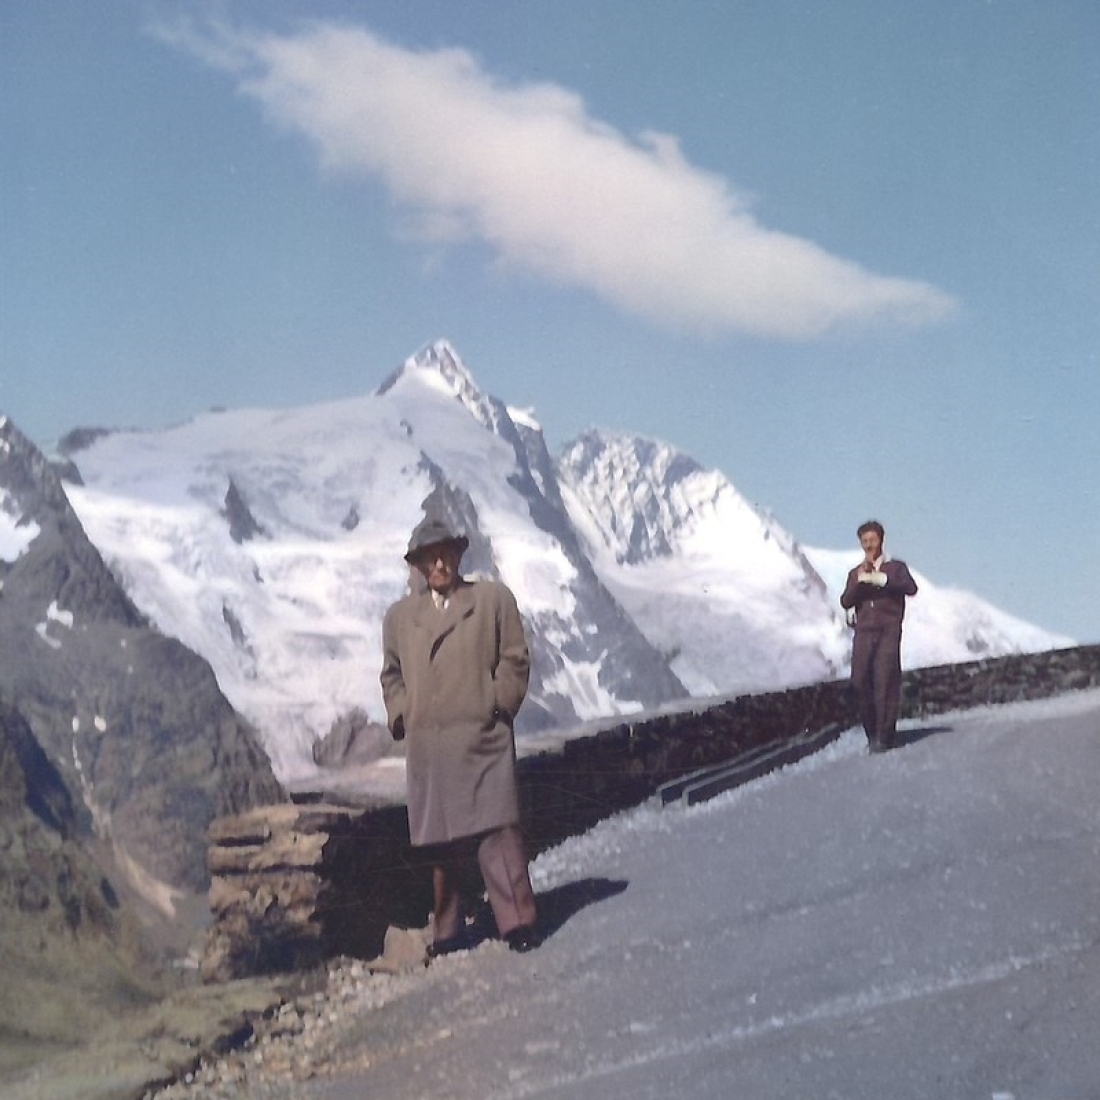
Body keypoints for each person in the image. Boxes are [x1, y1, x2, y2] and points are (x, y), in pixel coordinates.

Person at [380, 517, 541, 955]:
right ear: (416, 565)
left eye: (446, 553)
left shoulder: (491, 600)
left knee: (497, 834)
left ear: (458, 555)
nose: (438, 563)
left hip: (482, 738)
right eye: (428, 557)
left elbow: (515, 659)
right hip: (430, 746)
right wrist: (403, 714)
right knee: (440, 844)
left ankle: (518, 922)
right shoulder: (398, 619)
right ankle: (446, 931)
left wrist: (497, 705)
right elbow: (391, 674)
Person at [839, 520, 918, 753]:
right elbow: (845, 601)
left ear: (881, 541)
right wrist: (861, 583)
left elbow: (911, 588)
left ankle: (884, 736)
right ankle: (871, 732)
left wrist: (884, 581)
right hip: (863, 632)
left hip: (888, 629)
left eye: (872, 540)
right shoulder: (855, 573)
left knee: (885, 680)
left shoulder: (895, 568)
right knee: (860, 680)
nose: (869, 545)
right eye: (865, 542)